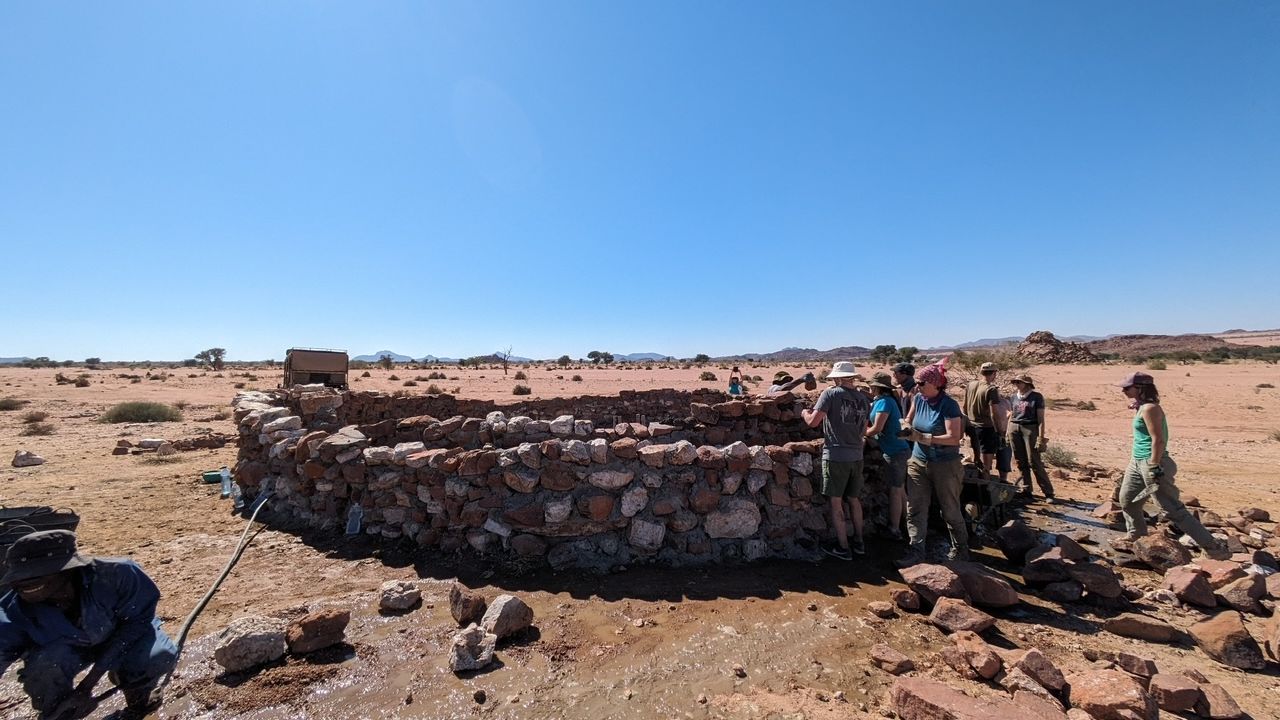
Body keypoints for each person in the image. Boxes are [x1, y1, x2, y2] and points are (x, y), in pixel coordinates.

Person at [0, 530, 178, 720]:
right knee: (43, 669)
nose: (21, 586)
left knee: (156, 658)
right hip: (69, 649)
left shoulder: (119, 574)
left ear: (66, 571)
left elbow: (137, 622)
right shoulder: (13, 610)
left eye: (32, 578)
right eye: (17, 579)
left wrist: (87, 685)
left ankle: (138, 695)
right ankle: (61, 711)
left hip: (123, 636)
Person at [1114, 372, 1229, 559]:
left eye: (1127, 388)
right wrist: (1137, 405)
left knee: (1172, 510)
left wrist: (1153, 465)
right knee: (1128, 500)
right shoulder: (1143, 407)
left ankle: (1213, 548)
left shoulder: (1150, 409)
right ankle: (1136, 535)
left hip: (1152, 461)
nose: (1123, 391)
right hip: (1136, 462)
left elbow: (1158, 440)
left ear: (1140, 388)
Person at [900, 359, 969, 565]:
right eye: (917, 383)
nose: (918, 386)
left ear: (936, 384)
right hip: (919, 461)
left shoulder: (948, 405)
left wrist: (923, 438)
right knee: (915, 507)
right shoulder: (919, 399)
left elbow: (953, 438)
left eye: (922, 383)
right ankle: (916, 551)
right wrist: (904, 427)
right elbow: (909, 420)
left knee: (949, 509)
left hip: (945, 464)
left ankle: (961, 550)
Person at [801, 361, 871, 560]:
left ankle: (843, 547)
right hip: (857, 455)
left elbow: (813, 421)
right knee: (854, 500)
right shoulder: (864, 399)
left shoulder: (831, 394)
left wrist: (804, 413)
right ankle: (859, 542)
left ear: (837, 378)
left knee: (836, 502)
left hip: (836, 455)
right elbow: (865, 430)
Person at [866, 372, 909, 540]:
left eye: (871, 385)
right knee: (901, 490)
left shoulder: (884, 402)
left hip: (894, 451)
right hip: (899, 449)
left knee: (896, 491)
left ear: (876, 387)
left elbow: (877, 428)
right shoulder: (883, 401)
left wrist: (863, 432)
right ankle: (910, 525)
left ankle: (894, 529)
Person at [1007, 374, 1055, 501]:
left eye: (1019, 382)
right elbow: (1011, 415)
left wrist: (1041, 437)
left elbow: (1041, 419)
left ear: (1027, 384)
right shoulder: (1013, 397)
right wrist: (1008, 431)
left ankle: (1048, 492)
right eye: (1015, 382)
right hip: (1014, 427)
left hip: (1030, 428)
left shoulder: (1036, 397)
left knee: (1034, 460)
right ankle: (1026, 489)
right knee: (1020, 460)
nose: (1016, 384)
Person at [963, 362, 1004, 476]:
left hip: (971, 426)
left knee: (977, 458)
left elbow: (964, 407)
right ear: (994, 373)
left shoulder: (970, 385)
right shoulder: (991, 389)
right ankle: (985, 486)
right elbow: (994, 413)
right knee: (986, 463)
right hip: (986, 427)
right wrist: (1000, 432)